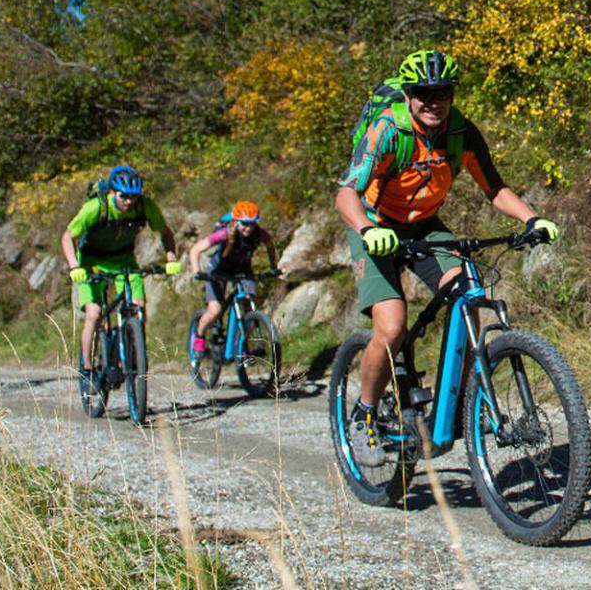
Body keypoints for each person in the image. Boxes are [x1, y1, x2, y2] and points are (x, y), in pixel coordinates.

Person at [333, 49, 559, 465]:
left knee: (467, 293)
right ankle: (363, 415)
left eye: (441, 92)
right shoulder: (388, 131)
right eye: (422, 93)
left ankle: (459, 401)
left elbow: (494, 188)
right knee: (392, 326)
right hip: (373, 224)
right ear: (408, 95)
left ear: (452, 94)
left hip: (423, 224)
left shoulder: (461, 132)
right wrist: (368, 229)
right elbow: (346, 192)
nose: (432, 101)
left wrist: (533, 218)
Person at [60, 165, 181, 392]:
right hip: (91, 262)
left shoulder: (145, 207)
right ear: (112, 193)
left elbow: (164, 232)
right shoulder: (95, 208)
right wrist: (74, 266)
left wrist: (171, 257)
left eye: (133, 197)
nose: (129, 202)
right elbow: (68, 237)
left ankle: (130, 352)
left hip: (124, 260)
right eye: (124, 197)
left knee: (138, 308)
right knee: (94, 314)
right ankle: (87, 370)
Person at [187, 200, 280, 362]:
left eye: (252, 224)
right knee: (215, 310)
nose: (248, 228)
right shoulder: (224, 233)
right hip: (218, 271)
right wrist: (197, 271)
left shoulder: (259, 233)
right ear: (236, 221)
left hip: (243, 270)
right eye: (245, 224)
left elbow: (270, 247)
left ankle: (244, 346)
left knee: (250, 307)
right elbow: (196, 249)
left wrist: (274, 267)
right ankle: (199, 339)